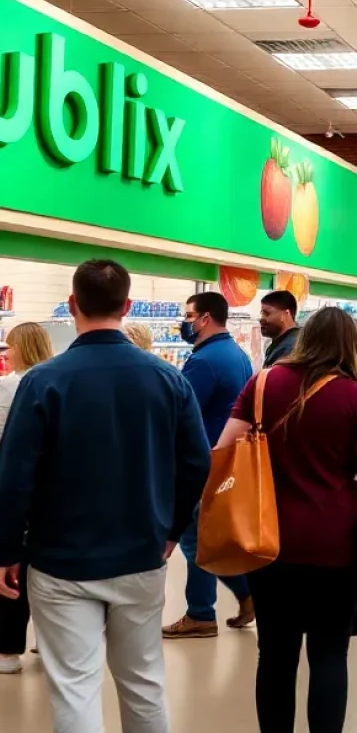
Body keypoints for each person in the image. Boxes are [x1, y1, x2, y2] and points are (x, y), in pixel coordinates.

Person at [0, 259, 210, 731]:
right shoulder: (168, 380)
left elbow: (14, 477)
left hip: (60, 560)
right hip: (142, 553)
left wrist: (8, 549)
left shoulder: (43, 382)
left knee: (74, 687)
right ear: (128, 305)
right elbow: (197, 463)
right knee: (144, 682)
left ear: (73, 304)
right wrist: (173, 530)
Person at [215, 307, 357, 733]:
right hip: (334, 547)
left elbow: (222, 452)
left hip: (265, 542)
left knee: (274, 654)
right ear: (352, 345)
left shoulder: (261, 385)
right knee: (329, 654)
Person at [164, 291, 255, 639]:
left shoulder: (203, 362)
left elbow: (181, 411)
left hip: (201, 461)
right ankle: (245, 593)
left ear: (205, 319)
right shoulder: (236, 355)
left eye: (189, 316)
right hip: (226, 459)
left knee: (195, 541)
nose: (184, 323)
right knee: (208, 537)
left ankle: (201, 613)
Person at [0, 323, 54, 675]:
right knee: (47, 568)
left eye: (9, 347)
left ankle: (7, 649)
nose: (7, 353)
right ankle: (49, 644)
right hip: (53, 489)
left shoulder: (8, 386)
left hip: (13, 481)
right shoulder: (58, 380)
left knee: (10, 564)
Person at [261, 290, 300, 367]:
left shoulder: (291, 348)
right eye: (262, 313)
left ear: (286, 314)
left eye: (267, 313)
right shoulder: (282, 343)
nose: (261, 319)